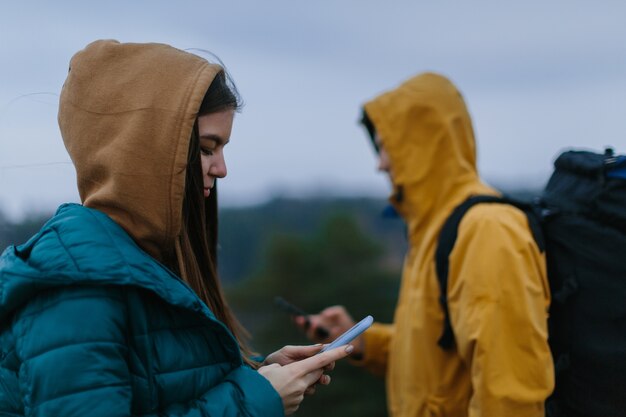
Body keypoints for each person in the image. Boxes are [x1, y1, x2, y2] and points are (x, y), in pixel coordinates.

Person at [0, 40, 353, 417]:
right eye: (206, 148)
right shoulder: (76, 289)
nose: (221, 168)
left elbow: (159, 385)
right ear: (144, 148)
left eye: (222, 149)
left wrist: (258, 373)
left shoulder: (141, 262)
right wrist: (257, 400)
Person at [298, 72, 554, 416]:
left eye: (386, 144)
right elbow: (436, 359)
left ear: (424, 141)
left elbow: (511, 395)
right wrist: (364, 343)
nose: (380, 163)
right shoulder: (434, 233)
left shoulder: (486, 231)